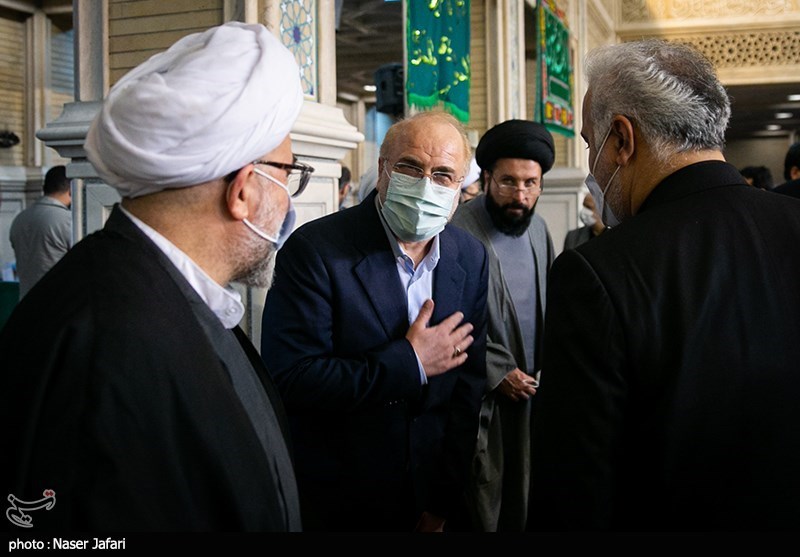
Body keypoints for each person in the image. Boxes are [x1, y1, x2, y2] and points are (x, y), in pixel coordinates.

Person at [2, 22, 307, 531]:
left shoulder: (170, 293)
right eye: (288, 174)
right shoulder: (105, 342)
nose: (289, 199)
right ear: (244, 190)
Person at [529, 39, 800, 531]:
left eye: (590, 144)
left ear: (622, 139)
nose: (592, 166)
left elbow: (572, 493)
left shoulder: (597, 273)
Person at [261, 110, 488, 532]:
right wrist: (409, 362)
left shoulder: (470, 256)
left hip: (428, 494)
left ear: (461, 187)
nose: (426, 185)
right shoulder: (315, 251)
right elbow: (291, 378)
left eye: (443, 175)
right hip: (341, 497)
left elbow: (467, 389)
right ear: (383, 170)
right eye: (410, 167)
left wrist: (443, 500)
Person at [451, 119, 555, 531]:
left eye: (530, 183)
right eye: (508, 182)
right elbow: (445, 315)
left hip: (532, 392)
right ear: (488, 179)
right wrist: (498, 371)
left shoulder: (539, 229)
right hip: (483, 398)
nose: (520, 195)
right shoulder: (458, 230)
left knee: (527, 492)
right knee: (484, 497)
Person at [9, 165, 72, 298]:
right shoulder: (67, 220)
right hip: (58, 301)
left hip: (26, 301)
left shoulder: (20, 218)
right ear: (71, 190)